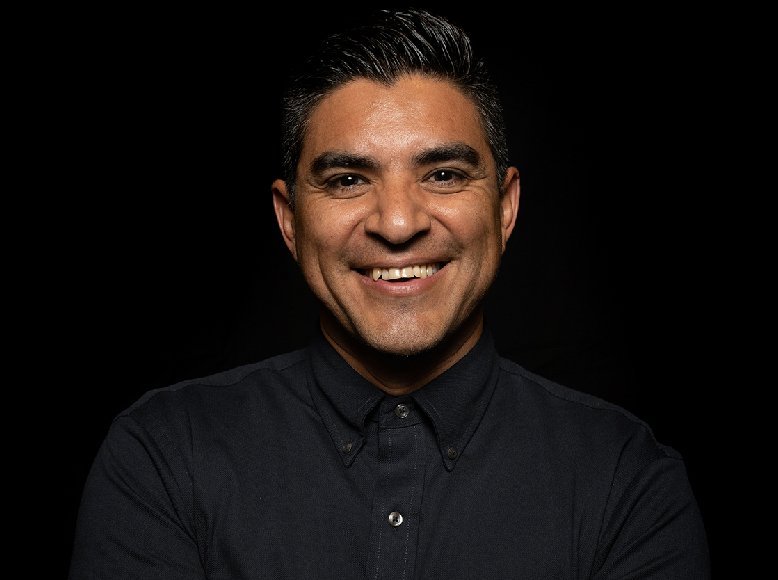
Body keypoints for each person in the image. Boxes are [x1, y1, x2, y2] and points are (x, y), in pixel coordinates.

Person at [69, 7, 710, 579]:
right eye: (348, 180)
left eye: (444, 174)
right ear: (290, 221)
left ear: (505, 207)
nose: (398, 224)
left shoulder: (629, 480)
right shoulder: (164, 456)